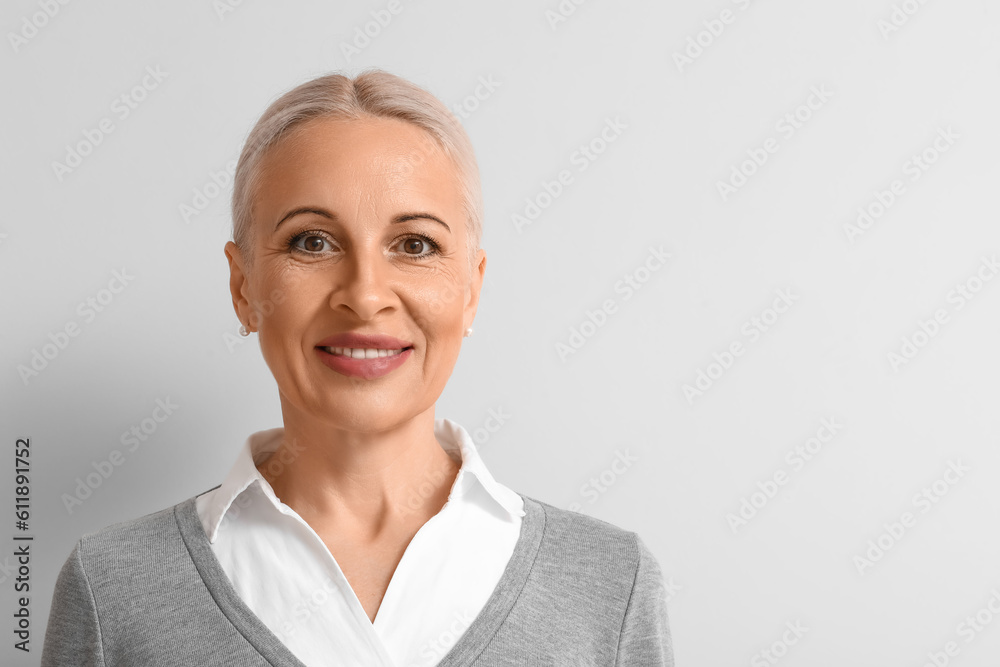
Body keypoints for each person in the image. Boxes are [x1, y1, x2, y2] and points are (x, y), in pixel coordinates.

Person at [41, 69, 674, 666]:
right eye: (311, 242)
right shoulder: (111, 589)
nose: (366, 294)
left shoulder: (611, 584)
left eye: (415, 245)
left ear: (471, 291)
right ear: (243, 287)